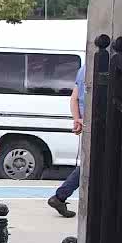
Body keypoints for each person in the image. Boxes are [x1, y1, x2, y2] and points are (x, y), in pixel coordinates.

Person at [48, 63, 85, 218]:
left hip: (86, 123)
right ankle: (60, 196)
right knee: (90, 165)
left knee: (88, 165)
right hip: (97, 123)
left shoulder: (84, 69)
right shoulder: (101, 66)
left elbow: (74, 98)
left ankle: (60, 197)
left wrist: (77, 120)